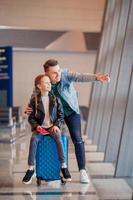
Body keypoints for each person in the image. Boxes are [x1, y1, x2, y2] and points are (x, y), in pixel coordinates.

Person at [25, 59, 110, 184]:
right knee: (47, 138)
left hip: (71, 112)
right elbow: (34, 98)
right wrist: (29, 108)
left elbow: (80, 77)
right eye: (54, 72)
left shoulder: (65, 74)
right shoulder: (43, 81)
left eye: (59, 70)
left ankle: (82, 171)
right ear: (47, 74)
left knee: (77, 139)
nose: (58, 74)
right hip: (54, 116)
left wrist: (97, 78)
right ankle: (44, 170)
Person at [22, 74, 71, 184]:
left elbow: (60, 115)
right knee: (33, 139)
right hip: (40, 128)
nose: (49, 84)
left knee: (58, 137)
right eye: (46, 82)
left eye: (49, 82)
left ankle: (64, 166)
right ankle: (30, 168)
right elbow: (31, 118)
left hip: (52, 127)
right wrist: (36, 126)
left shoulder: (55, 99)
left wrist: (56, 125)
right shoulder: (34, 101)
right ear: (39, 86)